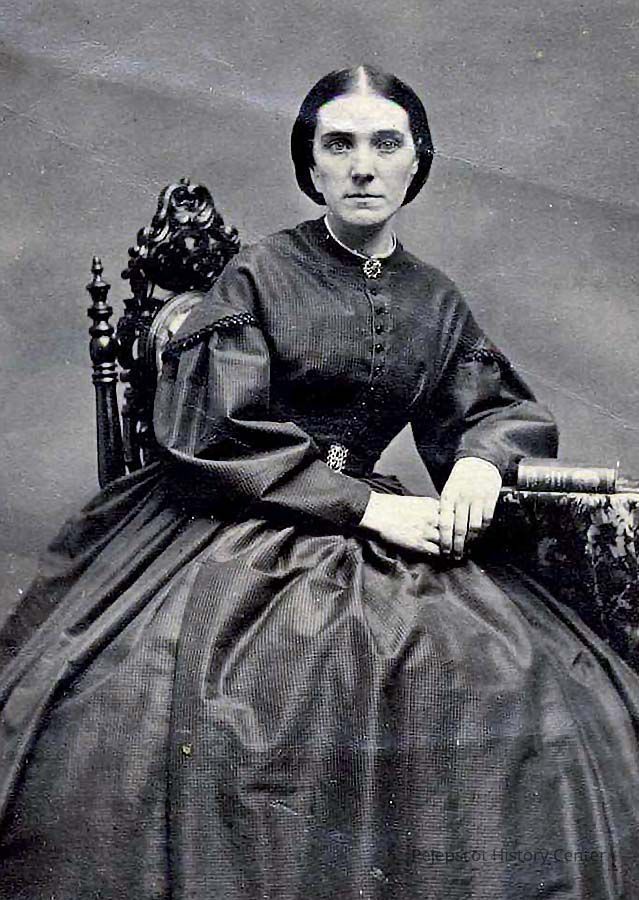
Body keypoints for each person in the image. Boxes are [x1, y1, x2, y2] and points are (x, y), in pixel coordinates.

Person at [1, 65, 638, 900]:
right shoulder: (259, 273)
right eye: (339, 145)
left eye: (385, 144)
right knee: (257, 695)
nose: (362, 167)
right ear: (310, 164)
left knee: (498, 670)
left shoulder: (433, 296)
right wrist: (367, 508)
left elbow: (492, 406)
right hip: (234, 520)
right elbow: (215, 431)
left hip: (382, 524)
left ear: (417, 161)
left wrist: (481, 461)